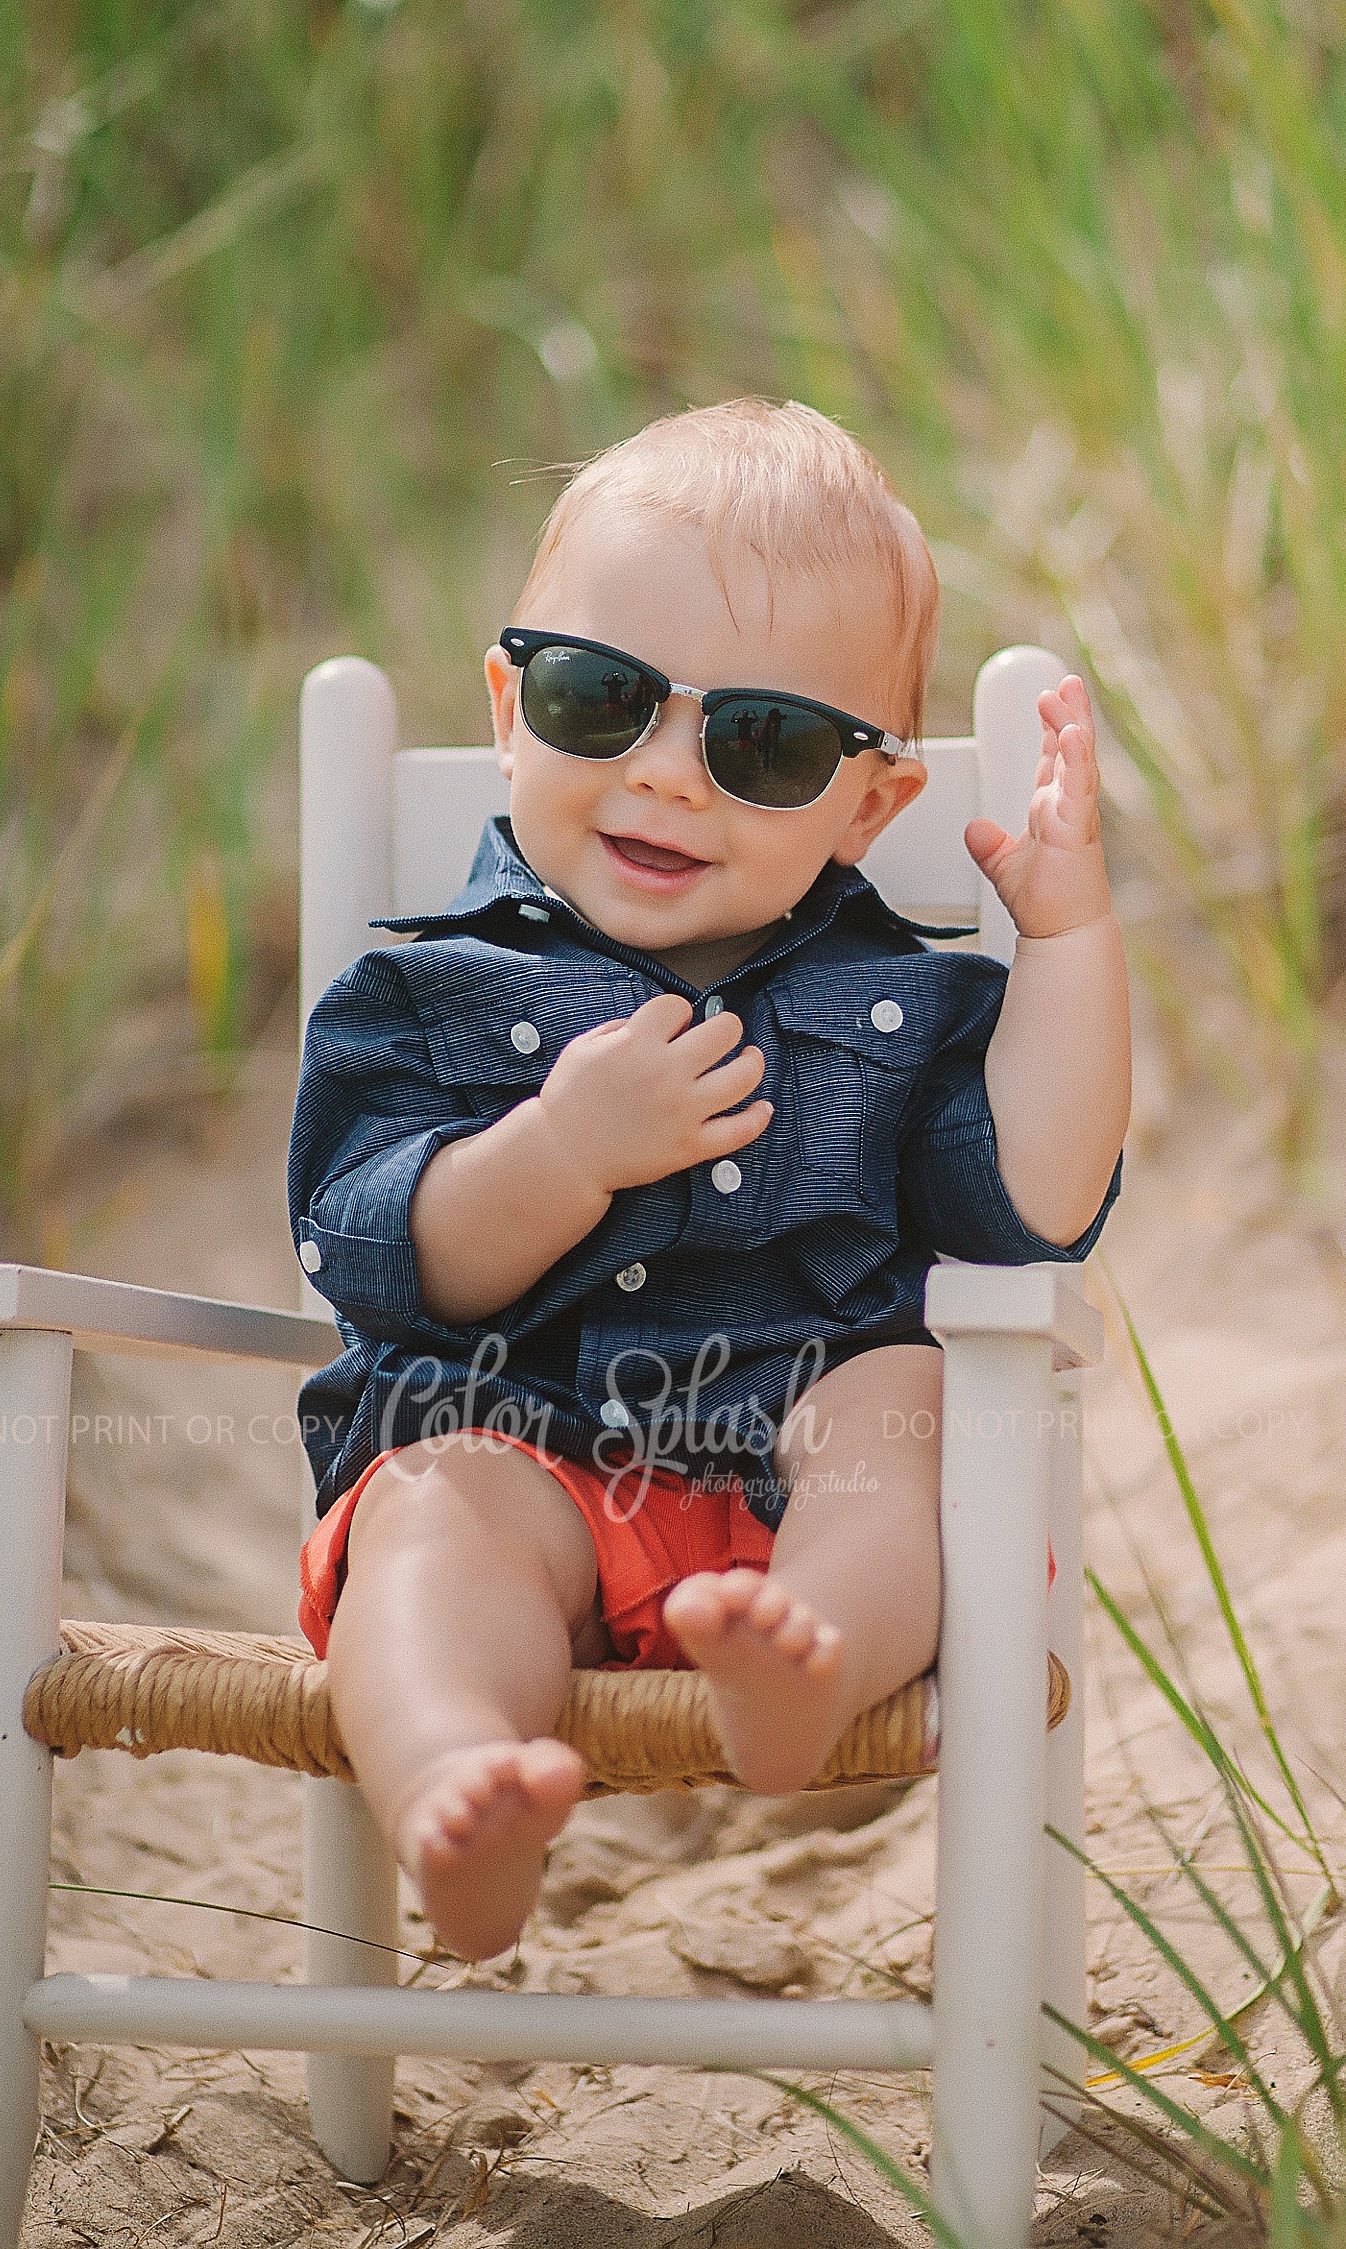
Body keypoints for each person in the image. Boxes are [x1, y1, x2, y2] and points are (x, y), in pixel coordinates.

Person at [289, 399, 1130, 1962]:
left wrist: (1069, 942)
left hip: (793, 1487)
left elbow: (1034, 1199)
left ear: (872, 800)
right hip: (517, 1450)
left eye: (766, 741)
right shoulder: (432, 994)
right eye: (600, 699)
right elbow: (377, 1257)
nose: (669, 776)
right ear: (508, 705)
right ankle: (460, 1790)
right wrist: (555, 1152)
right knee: (425, 1509)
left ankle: (806, 1671)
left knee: (906, 1406)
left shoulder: (897, 997)